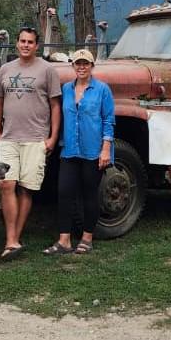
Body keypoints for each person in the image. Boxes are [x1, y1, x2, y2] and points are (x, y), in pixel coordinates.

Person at [0, 26, 62, 259]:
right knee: (7, 185)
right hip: (9, 138)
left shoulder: (48, 70)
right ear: (17, 44)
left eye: (30, 42)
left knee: (26, 188)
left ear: (37, 45)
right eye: (22, 41)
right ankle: (10, 240)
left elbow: (55, 105)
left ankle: (15, 237)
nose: (25, 45)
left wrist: (52, 137)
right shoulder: (5, 70)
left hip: (35, 138)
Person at [43, 49, 115, 256]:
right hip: (70, 150)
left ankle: (87, 237)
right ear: (73, 66)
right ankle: (64, 240)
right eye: (78, 63)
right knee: (64, 192)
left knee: (89, 194)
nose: (81, 67)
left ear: (92, 66)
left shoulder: (102, 90)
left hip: (93, 151)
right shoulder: (66, 89)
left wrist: (106, 148)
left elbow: (108, 120)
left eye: (86, 63)